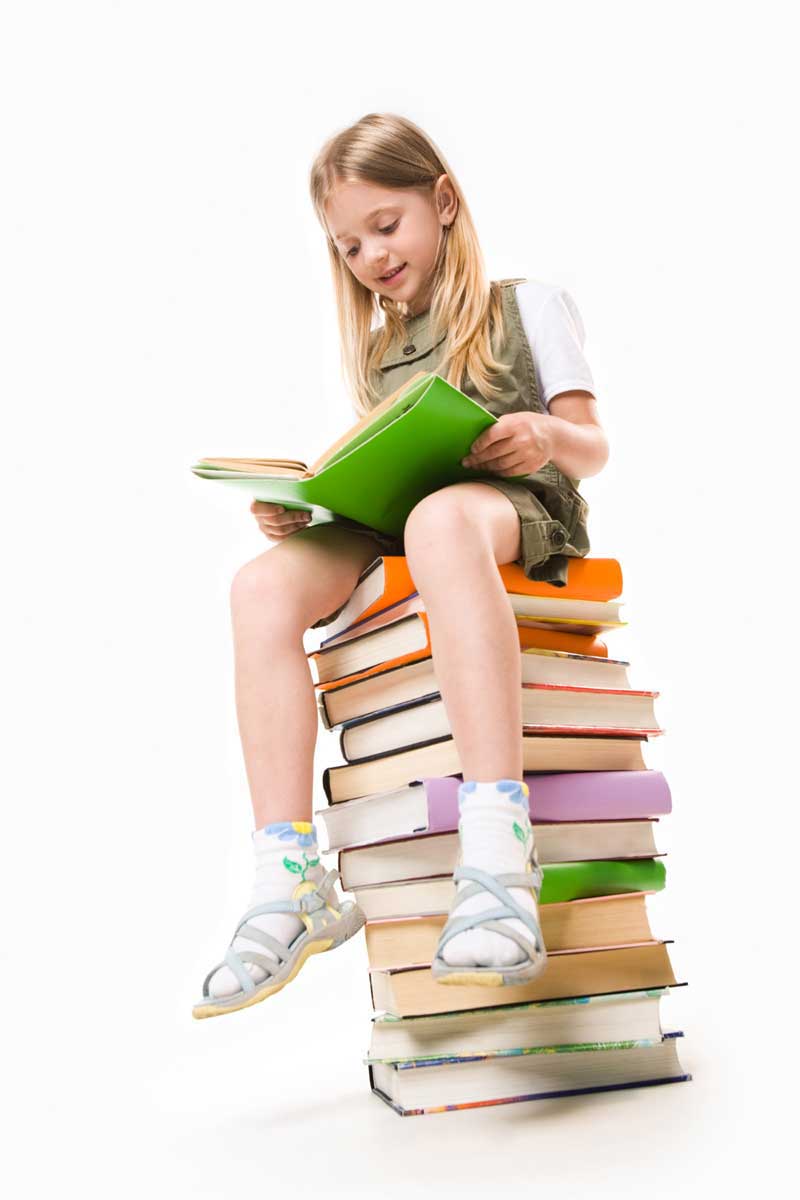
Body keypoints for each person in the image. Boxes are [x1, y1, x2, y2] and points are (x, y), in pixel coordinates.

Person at [193, 112, 609, 1019]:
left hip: (509, 507)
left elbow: (592, 446)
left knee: (440, 522)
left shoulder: (527, 305)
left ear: (443, 202)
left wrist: (543, 432)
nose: (372, 257)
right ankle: (288, 875)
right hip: (405, 519)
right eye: (349, 246)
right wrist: (305, 509)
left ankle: (497, 843)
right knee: (259, 585)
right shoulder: (383, 351)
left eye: (386, 226)